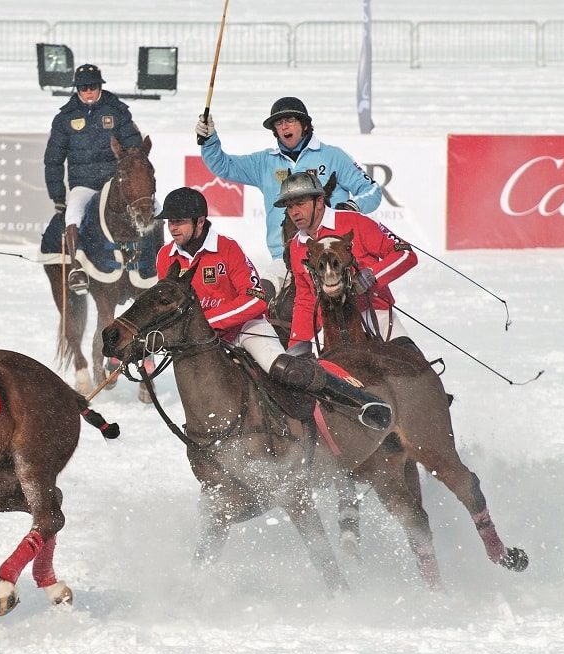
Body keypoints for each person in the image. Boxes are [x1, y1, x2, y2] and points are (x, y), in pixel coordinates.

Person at [155, 187, 391, 430]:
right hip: (203, 339)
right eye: (170, 222)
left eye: (179, 221)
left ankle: (362, 402)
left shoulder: (227, 248)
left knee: (285, 370)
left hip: (245, 330)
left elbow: (256, 299)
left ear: (200, 221)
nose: (173, 228)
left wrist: (208, 322)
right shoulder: (165, 256)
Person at [195, 96, 382, 288]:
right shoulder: (264, 162)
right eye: (279, 123)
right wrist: (209, 141)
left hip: (333, 255)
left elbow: (372, 190)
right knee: (264, 294)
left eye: (290, 121)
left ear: (305, 125)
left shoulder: (333, 156)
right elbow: (222, 166)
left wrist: (353, 206)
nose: (284, 127)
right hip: (285, 259)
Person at [275, 172, 420, 354]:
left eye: (300, 204)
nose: (294, 212)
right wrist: (296, 343)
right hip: (329, 326)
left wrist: (373, 276)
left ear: (319, 202)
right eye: (289, 207)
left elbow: (405, 253)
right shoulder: (296, 246)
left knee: (411, 369)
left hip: (374, 313)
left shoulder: (357, 222)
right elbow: (305, 299)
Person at [44, 63, 143, 294]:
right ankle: (77, 268)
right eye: (83, 87)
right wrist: (58, 196)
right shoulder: (64, 118)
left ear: (100, 86)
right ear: (77, 89)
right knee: (74, 214)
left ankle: (149, 264)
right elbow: (53, 161)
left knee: (153, 209)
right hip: (84, 184)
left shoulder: (117, 110)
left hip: (115, 183)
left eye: (93, 86)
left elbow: (134, 147)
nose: (89, 91)